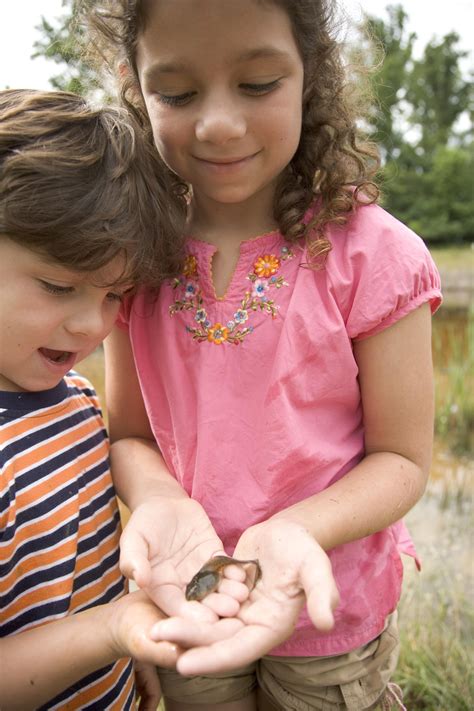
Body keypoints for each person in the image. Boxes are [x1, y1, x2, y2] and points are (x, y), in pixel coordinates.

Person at [86, 1, 443, 709]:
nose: (218, 122)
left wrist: (294, 528)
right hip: (191, 595)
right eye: (177, 93)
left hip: (328, 611)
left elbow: (402, 460)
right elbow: (129, 433)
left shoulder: (373, 254)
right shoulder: (133, 253)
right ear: (136, 88)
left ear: (311, 78)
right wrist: (158, 498)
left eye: (257, 84)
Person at [0, 88, 192, 710]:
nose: (92, 325)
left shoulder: (76, 398)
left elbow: (88, 564)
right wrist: (113, 632)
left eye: (116, 295)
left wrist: (127, 646)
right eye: (59, 286)